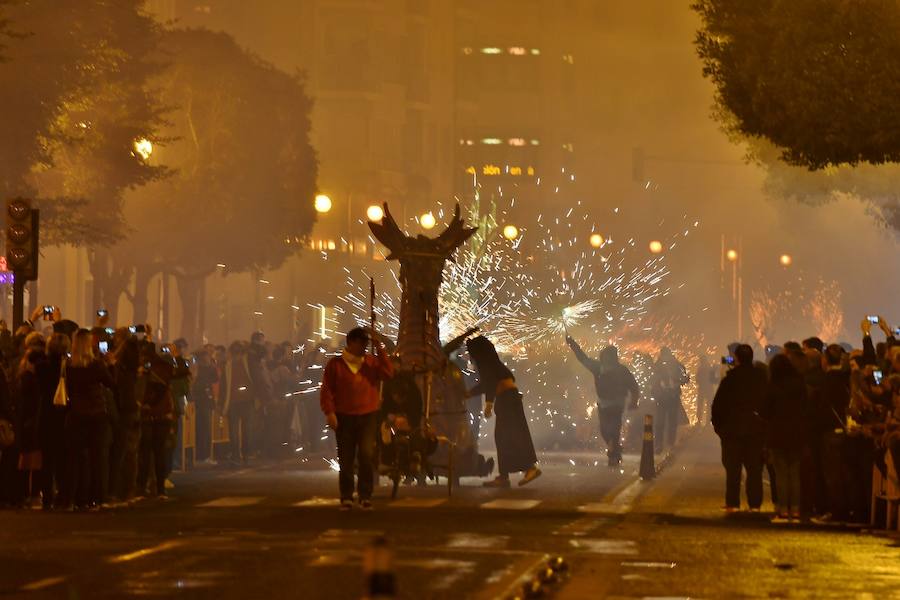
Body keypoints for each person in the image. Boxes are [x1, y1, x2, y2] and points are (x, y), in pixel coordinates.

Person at [320, 327, 393, 510]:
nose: (364, 347)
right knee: (346, 458)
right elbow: (327, 390)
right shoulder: (336, 364)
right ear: (351, 343)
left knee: (366, 456)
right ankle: (346, 496)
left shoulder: (371, 362)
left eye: (367, 343)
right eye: (362, 343)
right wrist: (330, 412)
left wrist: (379, 346)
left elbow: (388, 373)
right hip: (344, 417)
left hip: (368, 415)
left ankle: (365, 494)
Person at [467, 335, 541, 487]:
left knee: (510, 436)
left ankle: (528, 469)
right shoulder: (493, 363)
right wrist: (468, 393)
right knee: (504, 437)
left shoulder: (488, 364)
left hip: (507, 400)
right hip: (507, 399)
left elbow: (490, 383)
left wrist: (488, 404)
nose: (471, 358)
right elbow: (488, 384)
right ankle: (504, 476)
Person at [711, 344, 768, 513]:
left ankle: (733, 503)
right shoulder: (761, 378)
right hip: (756, 430)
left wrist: (718, 427)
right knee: (754, 469)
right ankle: (755, 504)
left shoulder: (730, 379)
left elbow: (718, 405)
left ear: (736, 358)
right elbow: (767, 403)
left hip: (732, 431)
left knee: (733, 469)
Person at [566, 337, 639, 466]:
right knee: (604, 430)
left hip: (617, 403)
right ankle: (615, 449)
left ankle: (613, 455)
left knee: (614, 429)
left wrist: (634, 401)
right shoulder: (599, 367)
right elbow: (583, 358)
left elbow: (633, 386)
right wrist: (573, 344)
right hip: (604, 404)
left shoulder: (621, 370)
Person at [64, 329, 114, 510]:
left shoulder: (69, 366)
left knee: (77, 459)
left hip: (76, 414)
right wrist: (111, 364)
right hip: (96, 414)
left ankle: (78, 496)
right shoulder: (96, 365)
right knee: (98, 458)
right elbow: (111, 383)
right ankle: (97, 496)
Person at [763, 354, 810, 521]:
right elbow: (806, 408)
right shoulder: (799, 385)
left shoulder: (773, 386)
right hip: (797, 433)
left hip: (778, 434)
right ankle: (795, 509)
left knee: (781, 474)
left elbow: (765, 411)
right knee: (795, 473)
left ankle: (782, 509)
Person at [137, 343, 176, 499]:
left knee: (151, 453)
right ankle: (154, 487)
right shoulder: (160, 368)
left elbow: (159, 389)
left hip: (155, 415)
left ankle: (153, 487)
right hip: (156, 415)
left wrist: (147, 404)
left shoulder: (158, 370)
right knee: (152, 453)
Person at [650, 347, 689, 451]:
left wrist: (678, 381)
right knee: (660, 421)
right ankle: (660, 444)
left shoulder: (677, 365)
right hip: (663, 397)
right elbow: (652, 379)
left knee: (671, 420)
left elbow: (685, 378)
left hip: (672, 396)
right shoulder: (658, 365)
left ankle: (669, 443)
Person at [223, 342, 254, 465]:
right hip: (245, 401)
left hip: (234, 402)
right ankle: (245, 455)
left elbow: (224, 387)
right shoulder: (248, 365)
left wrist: (222, 403)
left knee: (235, 431)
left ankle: (237, 456)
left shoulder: (228, 366)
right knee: (246, 429)